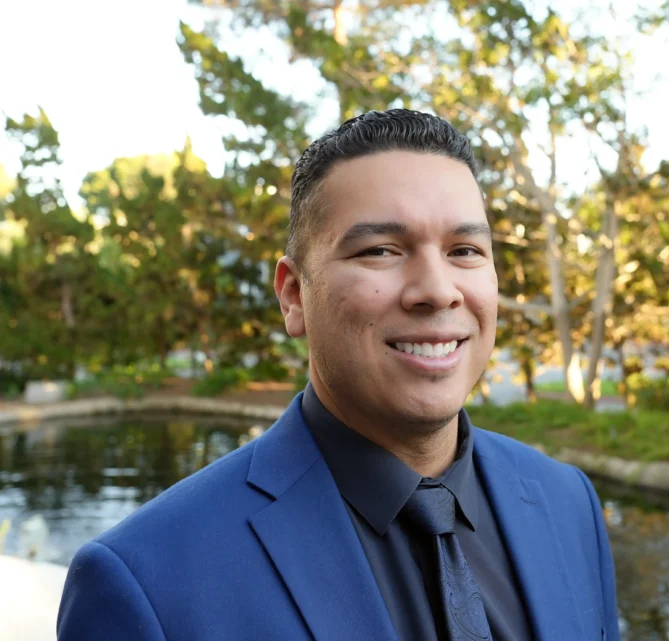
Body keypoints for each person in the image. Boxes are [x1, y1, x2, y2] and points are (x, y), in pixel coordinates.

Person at [58, 109, 620, 641]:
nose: (437, 289)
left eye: (465, 250)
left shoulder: (567, 502)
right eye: (380, 250)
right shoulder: (149, 580)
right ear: (294, 295)